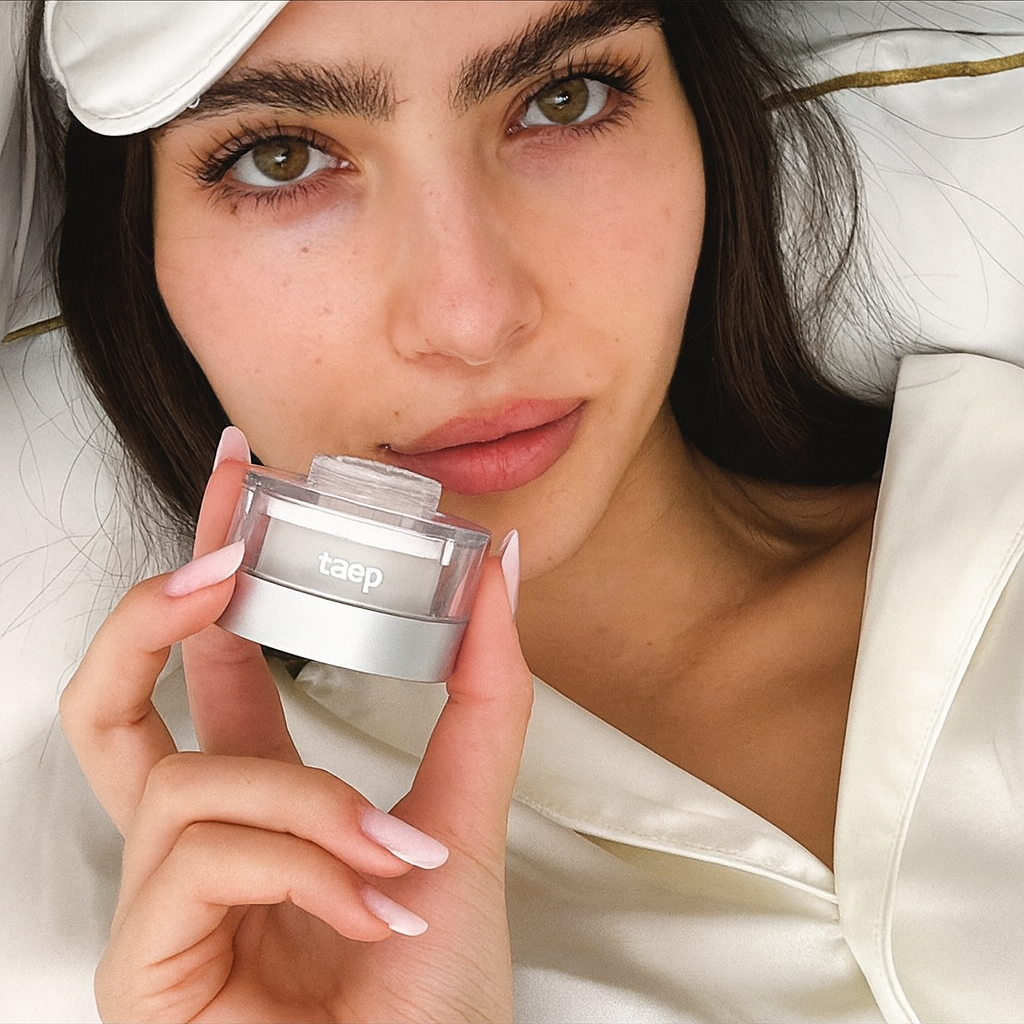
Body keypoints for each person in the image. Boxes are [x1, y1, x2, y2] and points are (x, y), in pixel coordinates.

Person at [4, 0, 1024, 1020]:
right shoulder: (141, 930)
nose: (472, 317)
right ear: (137, 249)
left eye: (563, 98)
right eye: (281, 160)